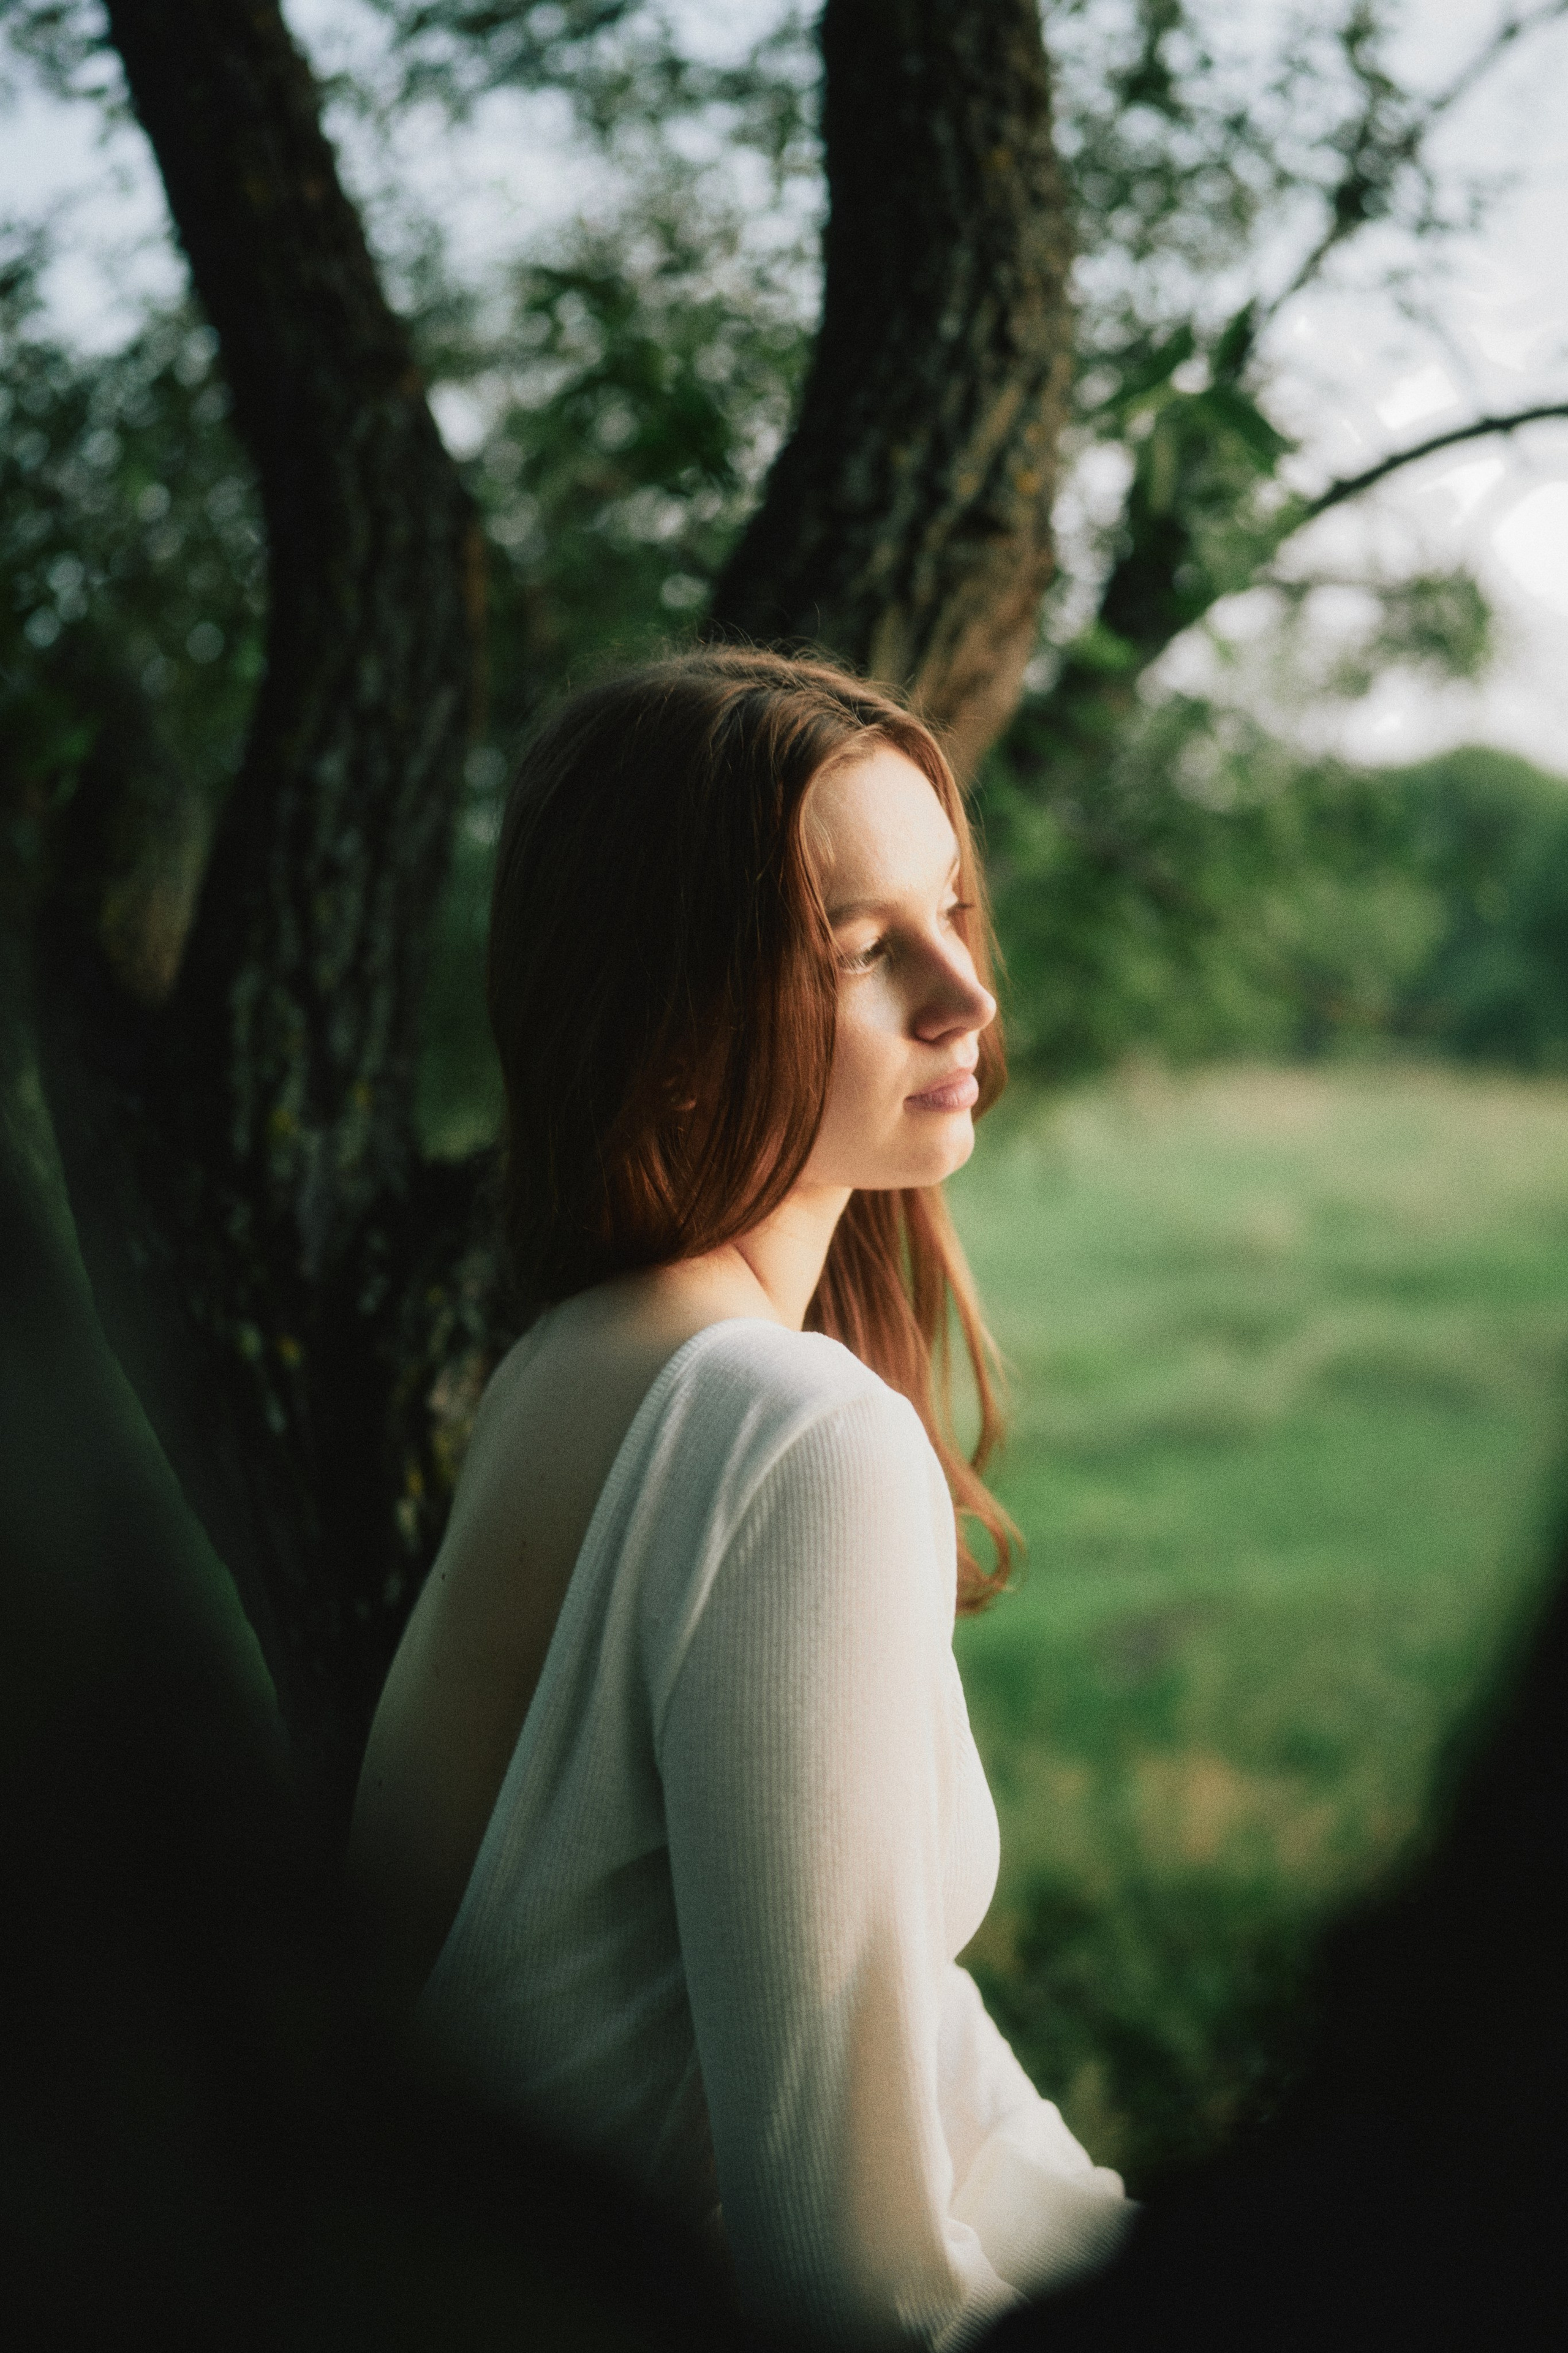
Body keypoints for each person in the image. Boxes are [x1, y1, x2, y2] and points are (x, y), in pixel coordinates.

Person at [349, 647, 1132, 2348]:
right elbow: (850, 2283)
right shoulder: (793, 1438)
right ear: (675, 1025)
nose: (963, 995)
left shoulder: (574, 1355)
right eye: (862, 950)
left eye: (954, 910)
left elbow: (930, 2067)